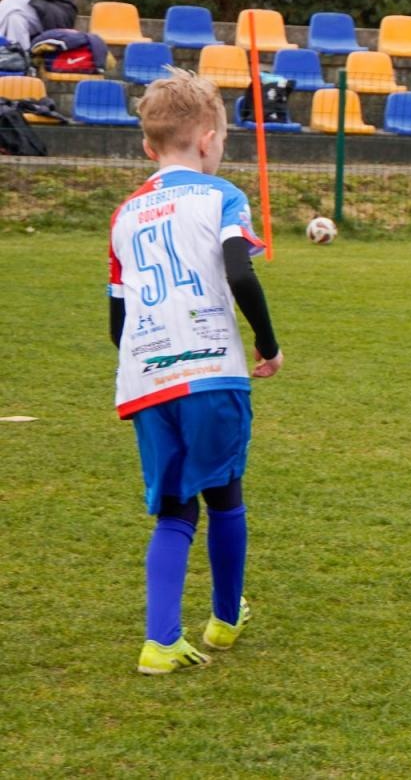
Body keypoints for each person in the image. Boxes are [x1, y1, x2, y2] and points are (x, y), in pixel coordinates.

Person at [108, 68, 282, 674]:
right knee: (225, 496)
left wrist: (135, 367)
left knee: (175, 509)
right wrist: (268, 343)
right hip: (211, 370)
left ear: (148, 146)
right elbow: (239, 271)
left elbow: (118, 313)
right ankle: (226, 620)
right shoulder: (221, 197)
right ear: (208, 139)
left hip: (145, 376)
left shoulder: (125, 214)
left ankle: (160, 642)